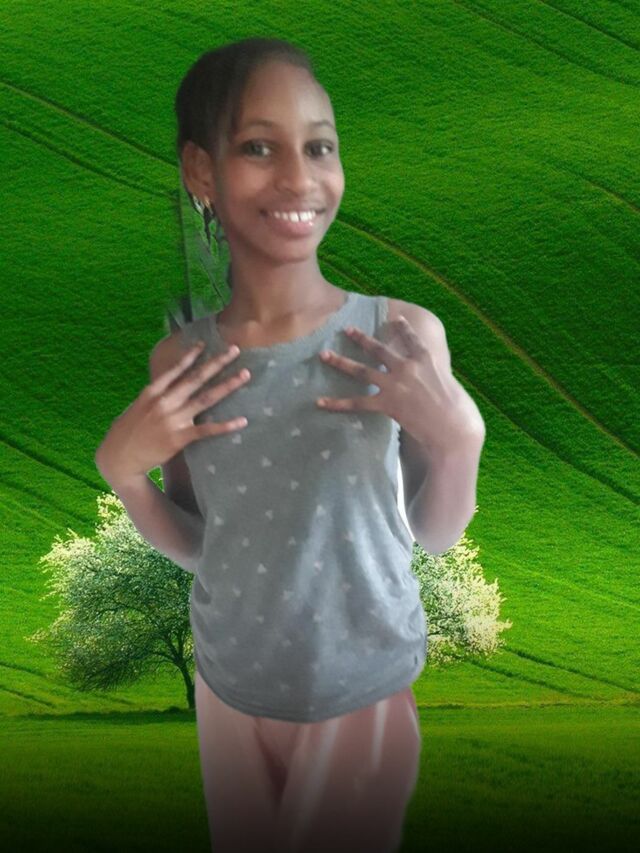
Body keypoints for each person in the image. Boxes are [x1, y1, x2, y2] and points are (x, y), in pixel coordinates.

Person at [95, 37, 485, 853]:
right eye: (258, 147)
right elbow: (202, 545)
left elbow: (435, 532)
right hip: (229, 688)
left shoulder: (401, 334)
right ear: (200, 171)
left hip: (358, 692)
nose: (300, 178)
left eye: (319, 147)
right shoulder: (182, 361)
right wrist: (124, 475)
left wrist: (460, 440)